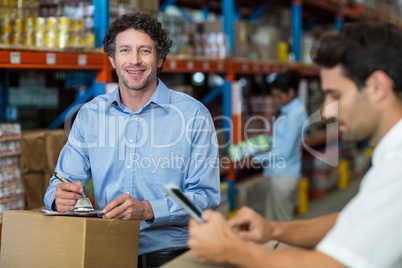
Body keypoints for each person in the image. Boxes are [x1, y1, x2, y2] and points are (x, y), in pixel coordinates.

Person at [188, 21, 402, 267]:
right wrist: (273, 230)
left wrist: (232, 250)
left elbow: (336, 264)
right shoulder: (389, 158)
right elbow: (352, 220)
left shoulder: (397, 168)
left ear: (378, 87)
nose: (327, 112)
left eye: (336, 95)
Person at [44, 12, 220, 267]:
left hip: (173, 255)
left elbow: (206, 199)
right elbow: (59, 183)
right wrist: (57, 199)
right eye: (125, 50)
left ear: (160, 59)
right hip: (107, 251)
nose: (134, 60)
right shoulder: (90, 115)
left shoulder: (193, 115)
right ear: (112, 60)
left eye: (145, 51)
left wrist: (149, 210)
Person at [252, 69, 307, 222]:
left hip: (284, 174)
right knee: (272, 224)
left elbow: (285, 151)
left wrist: (256, 159)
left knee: (284, 226)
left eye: (279, 96)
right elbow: (280, 141)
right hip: (278, 172)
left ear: (290, 92)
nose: (276, 100)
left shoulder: (295, 114)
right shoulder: (290, 111)